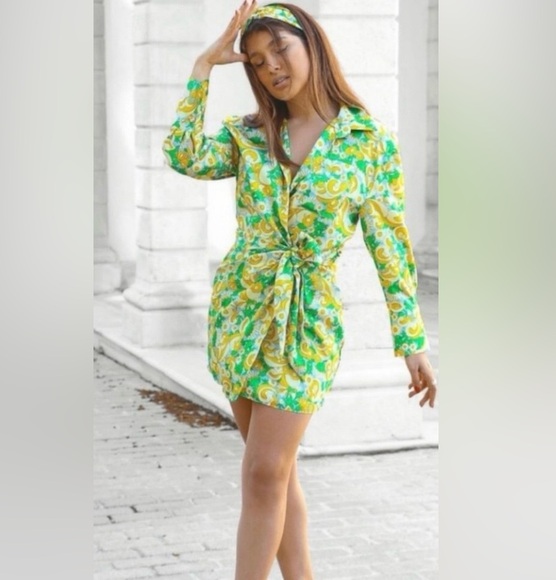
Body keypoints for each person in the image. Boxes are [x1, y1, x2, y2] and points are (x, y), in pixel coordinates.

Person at [162, 2, 438, 578]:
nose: (271, 67)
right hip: (241, 312)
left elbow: (390, 245)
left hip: (307, 322)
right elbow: (183, 156)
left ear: (311, 42)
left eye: (280, 49)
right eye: (257, 60)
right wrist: (203, 66)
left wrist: (411, 339)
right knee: (274, 473)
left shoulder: (368, 143)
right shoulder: (249, 136)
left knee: (265, 470)